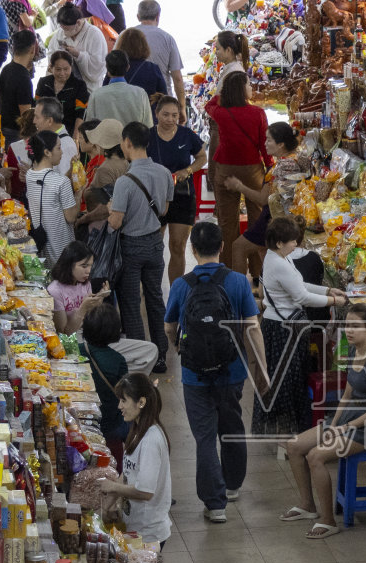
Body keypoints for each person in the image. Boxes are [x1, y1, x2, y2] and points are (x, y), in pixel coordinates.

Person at [165, 221, 267, 522]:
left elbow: (170, 326)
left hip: (194, 374)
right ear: (222, 246)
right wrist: (261, 367)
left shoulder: (182, 285)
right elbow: (252, 328)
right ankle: (233, 485)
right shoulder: (237, 282)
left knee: (205, 437)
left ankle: (215, 503)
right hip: (231, 369)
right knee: (232, 426)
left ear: (193, 249)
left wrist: (178, 347)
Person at [281, 304, 366, 540]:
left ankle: (328, 520)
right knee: (294, 446)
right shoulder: (354, 351)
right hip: (349, 419)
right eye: (347, 325)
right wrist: (333, 425)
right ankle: (307, 505)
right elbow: (348, 394)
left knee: (316, 456)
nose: (348, 331)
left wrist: (344, 428)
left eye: (354, 326)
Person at [254, 216, 344, 438]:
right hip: (283, 329)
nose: (296, 244)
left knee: (288, 378)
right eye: (292, 241)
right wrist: (333, 301)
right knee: (285, 380)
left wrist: (327, 291)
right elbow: (302, 296)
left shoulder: (279, 257)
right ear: (279, 243)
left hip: (285, 325)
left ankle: (290, 428)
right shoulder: (277, 262)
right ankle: (285, 431)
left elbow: (299, 284)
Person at [101, 122, 173, 368]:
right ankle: (162, 356)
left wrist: (111, 211)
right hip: (155, 244)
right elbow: (163, 209)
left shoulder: (125, 181)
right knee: (155, 298)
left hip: (130, 247)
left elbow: (116, 222)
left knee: (131, 304)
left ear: (127, 143)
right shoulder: (164, 172)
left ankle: (141, 358)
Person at [222, 120, 310, 286]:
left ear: (281, 144)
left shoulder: (282, 166)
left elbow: (263, 199)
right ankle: (267, 292)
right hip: (287, 215)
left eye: (269, 140)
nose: (265, 143)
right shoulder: (298, 158)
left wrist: (239, 186)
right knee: (264, 251)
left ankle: (239, 296)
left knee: (239, 247)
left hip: (274, 217)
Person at [78, 303, 158, 463]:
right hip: (110, 423)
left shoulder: (78, 349)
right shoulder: (118, 360)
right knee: (113, 463)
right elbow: (124, 392)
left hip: (83, 417)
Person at [98, 374, 172, 544]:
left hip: (149, 534)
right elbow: (128, 471)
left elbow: (145, 491)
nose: (119, 406)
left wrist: (112, 486)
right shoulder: (137, 430)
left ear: (141, 402)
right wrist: (108, 505)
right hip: (135, 526)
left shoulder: (151, 440)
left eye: (124, 400)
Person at [206, 71, 267, 274]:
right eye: (248, 85)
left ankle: (230, 270)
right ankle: (258, 271)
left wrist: (222, 92)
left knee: (227, 222)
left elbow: (209, 105)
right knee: (257, 220)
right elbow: (264, 145)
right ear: (242, 90)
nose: (251, 88)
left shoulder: (221, 113)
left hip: (225, 170)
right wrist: (270, 167)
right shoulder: (257, 113)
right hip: (252, 170)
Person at [147, 96, 207, 284]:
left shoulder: (186, 135)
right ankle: (152, 289)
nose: (170, 119)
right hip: (154, 197)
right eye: (165, 115)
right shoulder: (147, 136)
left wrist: (187, 170)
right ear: (156, 114)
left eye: (174, 115)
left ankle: (176, 290)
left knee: (178, 246)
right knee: (154, 247)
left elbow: (201, 157)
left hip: (182, 196)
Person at [5, 98, 79, 201]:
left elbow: (63, 188)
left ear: (49, 121)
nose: (34, 121)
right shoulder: (49, 140)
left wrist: (33, 176)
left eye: (37, 117)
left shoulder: (65, 145)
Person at [23, 130, 79, 260]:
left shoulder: (30, 175)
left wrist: (70, 170)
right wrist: (79, 193)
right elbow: (71, 217)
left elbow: (51, 185)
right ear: (47, 152)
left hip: (44, 249)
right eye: (59, 148)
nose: (62, 152)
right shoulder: (62, 182)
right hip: (62, 252)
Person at [76, 118, 131, 237]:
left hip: (102, 231)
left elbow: (106, 209)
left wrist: (83, 219)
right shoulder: (125, 162)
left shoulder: (105, 169)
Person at [46, 241, 111, 335]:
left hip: (88, 334)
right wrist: (83, 308)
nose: (88, 271)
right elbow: (65, 333)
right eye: (84, 266)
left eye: (90, 266)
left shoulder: (85, 283)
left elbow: (91, 317)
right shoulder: (55, 291)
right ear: (69, 265)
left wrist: (100, 297)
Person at [134, 0, 186, 105]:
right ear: (158, 16)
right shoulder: (167, 38)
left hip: (132, 100)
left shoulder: (125, 36)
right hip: (161, 101)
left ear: (138, 16)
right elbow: (177, 78)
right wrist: (181, 106)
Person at [86, 49, 152, 129]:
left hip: (104, 141)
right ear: (128, 67)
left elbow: (89, 127)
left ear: (107, 69)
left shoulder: (96, 95)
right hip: (133, 140)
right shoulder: (140, 93)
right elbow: (148, 125)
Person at [48, 3, 108, 89]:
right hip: (65, 87)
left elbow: (98, 66)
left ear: (78, 23)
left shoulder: (94, 34)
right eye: (62, 28)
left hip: (88, 87)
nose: (64, 32)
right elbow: (51, 53)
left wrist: (79, 55)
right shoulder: (60, 33)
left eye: (67, 29)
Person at [0, 30, 38, 145]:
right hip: (16, 135)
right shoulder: (23, 78)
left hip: (3, 128)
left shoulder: (6, 69)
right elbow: (26, 117)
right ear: (32, 49)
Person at [35, 50, 89, 133]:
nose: (62, 73)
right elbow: (36, 106)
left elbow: (81, 113)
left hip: (69, 131)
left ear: (71, 67)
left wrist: (76, 135)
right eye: (58, 69)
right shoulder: (44, 83)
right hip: (45, 131)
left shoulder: (79, 85)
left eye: (66, 69)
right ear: (51, 68)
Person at [117, 28, 169, 99]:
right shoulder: (152, 69)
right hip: (146, 109)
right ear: (144, 46)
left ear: (121, 45)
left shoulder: (115, 67)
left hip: (118, 109)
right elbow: (163, 96)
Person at [209, 30, 250, 94]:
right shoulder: (231, 68)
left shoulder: (235, 75)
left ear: (228, 50)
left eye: (217, 49)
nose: (215, 52)